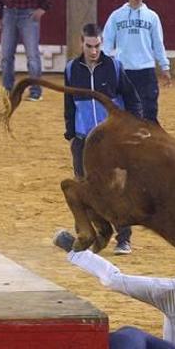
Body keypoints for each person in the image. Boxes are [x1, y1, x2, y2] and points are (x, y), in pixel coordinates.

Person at [64, 23, 143, 256]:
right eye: (89, 46)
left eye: (97, 46)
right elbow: (69, 104)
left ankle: (124, 238)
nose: (93, 51)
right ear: (82, 43)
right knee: (83, 187)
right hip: (82, 139)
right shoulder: (71, 69)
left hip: (109, 141)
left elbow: (133, 99)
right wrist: (70, 132)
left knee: (115, 189)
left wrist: (132, 128)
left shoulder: (114, 68)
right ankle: (94, 232)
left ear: (102, 43)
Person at [102, 0, 171, 124]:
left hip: (146, 69)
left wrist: (164, 65)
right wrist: (104, 63)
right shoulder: (116, 16)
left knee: (149, 110)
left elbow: (158, 43)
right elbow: (107, 41)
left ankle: (148, 142)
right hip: (124, 69)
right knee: (124, 110)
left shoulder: (152, 17)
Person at [0, 0, 54, 101]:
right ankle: (7, 90)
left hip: (28, 12)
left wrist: (43, 8)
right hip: (9, 12)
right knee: (6, 55)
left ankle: (35, 91)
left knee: (32, 56)